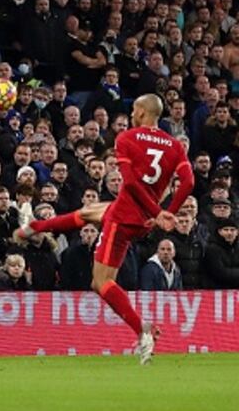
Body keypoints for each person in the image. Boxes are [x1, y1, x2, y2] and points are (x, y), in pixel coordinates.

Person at [15, 94, 194, 364]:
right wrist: (166, 211)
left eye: (134, 109)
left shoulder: (127, 138)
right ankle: (33, 228)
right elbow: (189, 181)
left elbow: (132, 183)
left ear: (144, 113)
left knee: (100, 282)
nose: (132, 114)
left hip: (124, 218)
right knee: (88, 212)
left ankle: (142, 330)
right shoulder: (174, 145)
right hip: (140, 217)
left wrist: (159, 213)